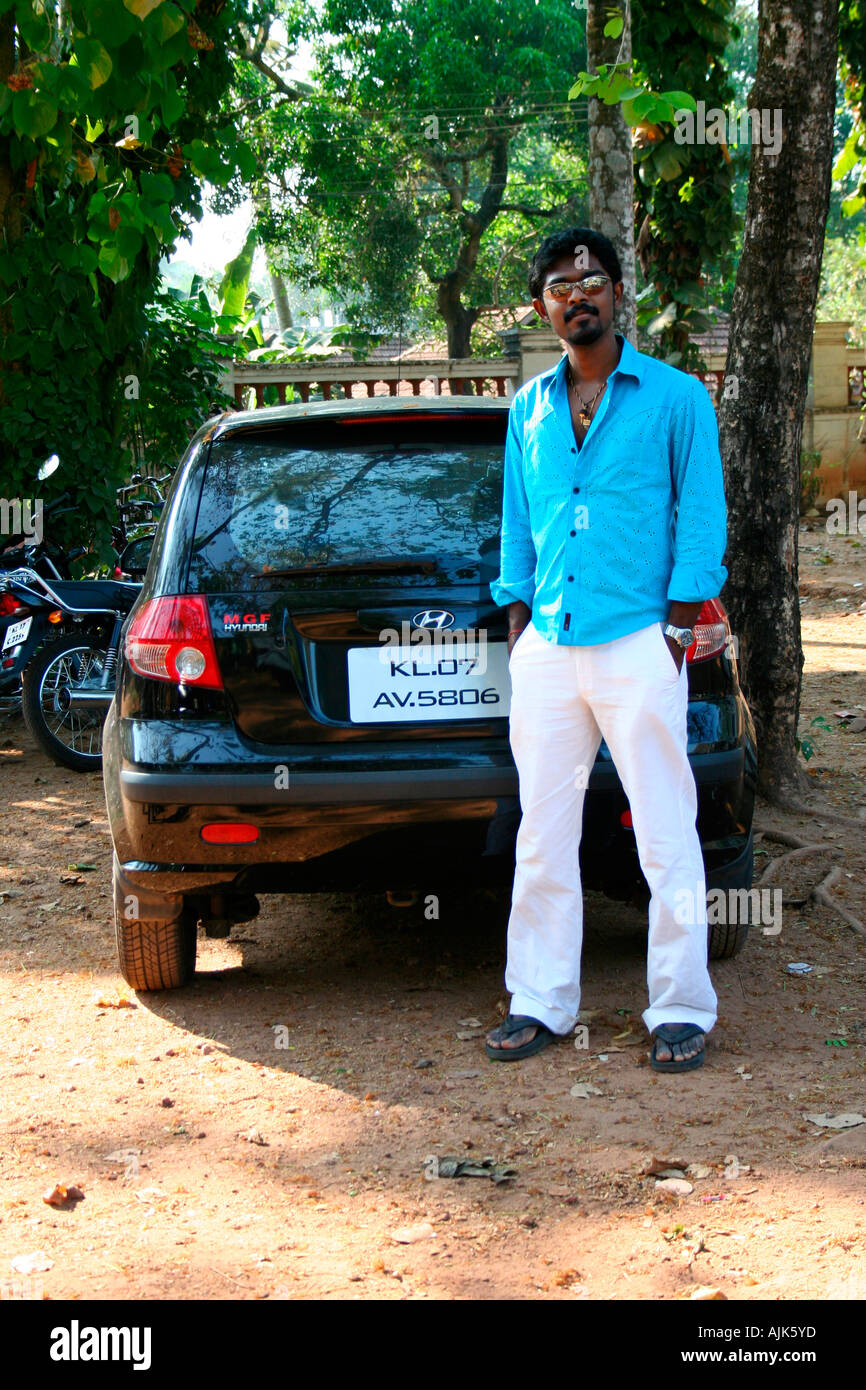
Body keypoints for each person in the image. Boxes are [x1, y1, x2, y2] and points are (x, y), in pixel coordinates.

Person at [486, 226, 728, 1073]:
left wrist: (672, 628)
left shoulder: (675, 399)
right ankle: (541, 1003)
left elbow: (700, 524)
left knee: (666, 832)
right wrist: (518, 624)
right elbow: (518, 525)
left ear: (617, 292)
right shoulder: (529, 409)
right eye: (558, 285)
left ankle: (681, 1006)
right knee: (543, 836)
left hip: (637, 640)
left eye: (590, 278)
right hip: (549, 645)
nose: (576, 294)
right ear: (543, 306)